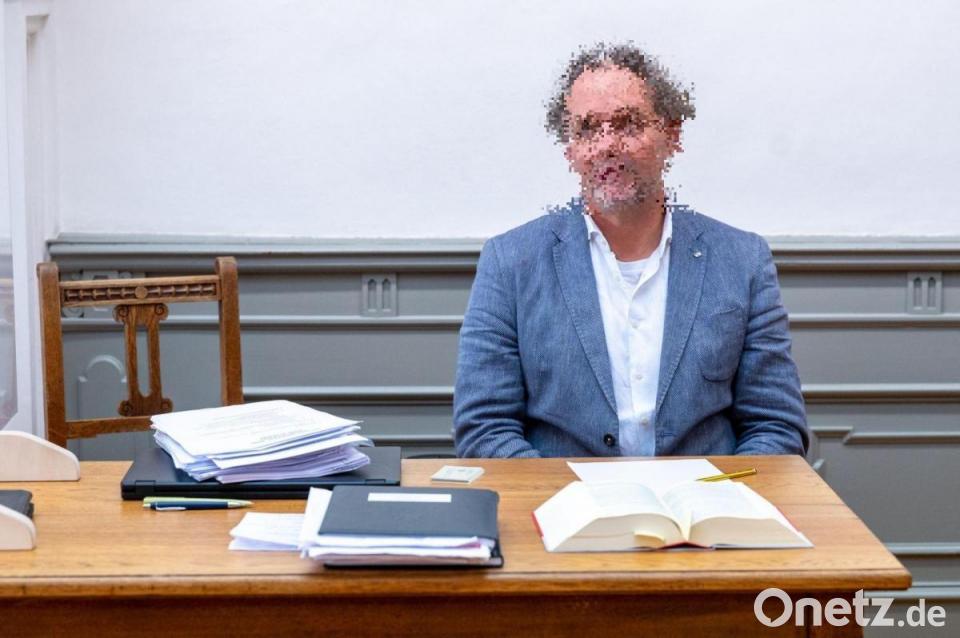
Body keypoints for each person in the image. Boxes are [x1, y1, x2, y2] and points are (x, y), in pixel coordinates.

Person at [453, 42, 808, 458]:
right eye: (587, 129)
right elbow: (485, 429)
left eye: (627, 124)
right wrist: (569, 495)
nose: (607, 145)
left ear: (671, 135)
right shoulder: (510, 262)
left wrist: (719, 493)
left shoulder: (743, 260)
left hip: (704, 497)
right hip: (559, 497)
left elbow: (775, 426)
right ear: (570, 150)